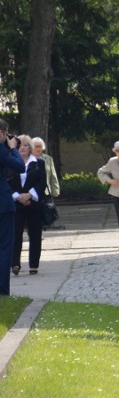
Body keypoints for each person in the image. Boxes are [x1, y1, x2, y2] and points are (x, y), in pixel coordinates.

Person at [10, 135, 46, 276]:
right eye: (19, 145)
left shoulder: (38, 163)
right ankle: (15, 264)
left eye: (25, 145)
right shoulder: (11, 163)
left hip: (33, 203)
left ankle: (33, 265)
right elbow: (7, 182)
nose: (22, 148)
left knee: (35, 235)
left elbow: (42, 182)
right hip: (16, 204)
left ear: (30, 147)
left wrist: (29, 194)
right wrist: (18, 196)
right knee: (15, 235)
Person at [0, 121, 25, 295]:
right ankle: (3, 291)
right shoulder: (1, 150)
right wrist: (13, 148)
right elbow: (20, 166)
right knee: (5, 248)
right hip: (3, 204)